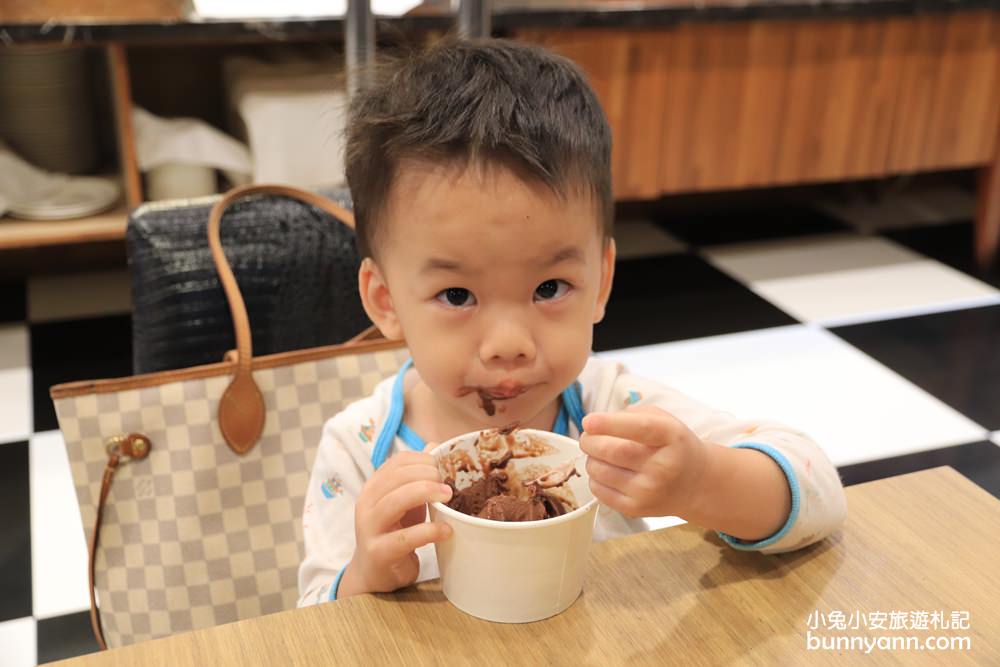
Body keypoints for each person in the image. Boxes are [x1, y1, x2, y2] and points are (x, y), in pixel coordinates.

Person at [298, 38, 847, 606]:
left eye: (549, 288)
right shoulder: (359, 447)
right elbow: (310, 614)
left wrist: (703, 482)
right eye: (457, 294)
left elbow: (819, 491)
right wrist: (363, 574)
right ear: (386, 300)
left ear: (601, 282)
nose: (509, 345)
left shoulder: (612, 412)